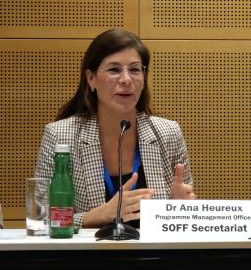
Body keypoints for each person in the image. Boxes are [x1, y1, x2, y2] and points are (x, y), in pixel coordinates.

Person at [34, 28, 195, 230]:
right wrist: (96, 216)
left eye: (135, 70)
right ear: (91, 79)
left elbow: (186, 220)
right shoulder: (60, 136)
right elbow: (42, 220)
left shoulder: (168, 133)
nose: (126, 80)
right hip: (88, 257)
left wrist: (181, 209)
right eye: (114, 70)